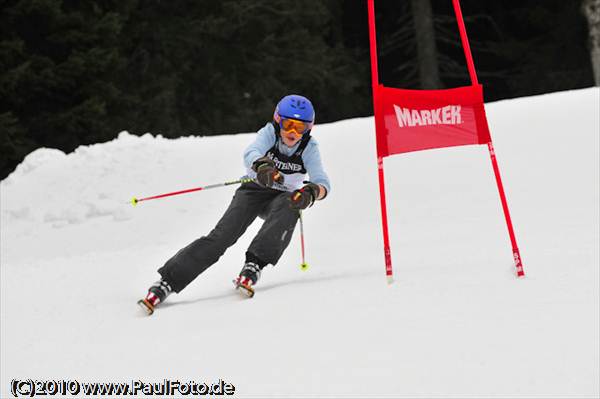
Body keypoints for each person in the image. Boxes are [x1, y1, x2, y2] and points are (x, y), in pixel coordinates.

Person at [139, 94, 331, 312]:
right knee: (221, 237)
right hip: (253, 191)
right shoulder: (269, 133)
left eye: (300, 127)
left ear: (309, 129)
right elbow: (252, 152)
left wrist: (311, 192)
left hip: (282, 199)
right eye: (288, 125)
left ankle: (255, 264)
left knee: (291, 204)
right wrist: (262, 166)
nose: (293, 133)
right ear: (278, 120)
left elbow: (322, 182)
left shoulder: (309, 148)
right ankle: (168, 282)